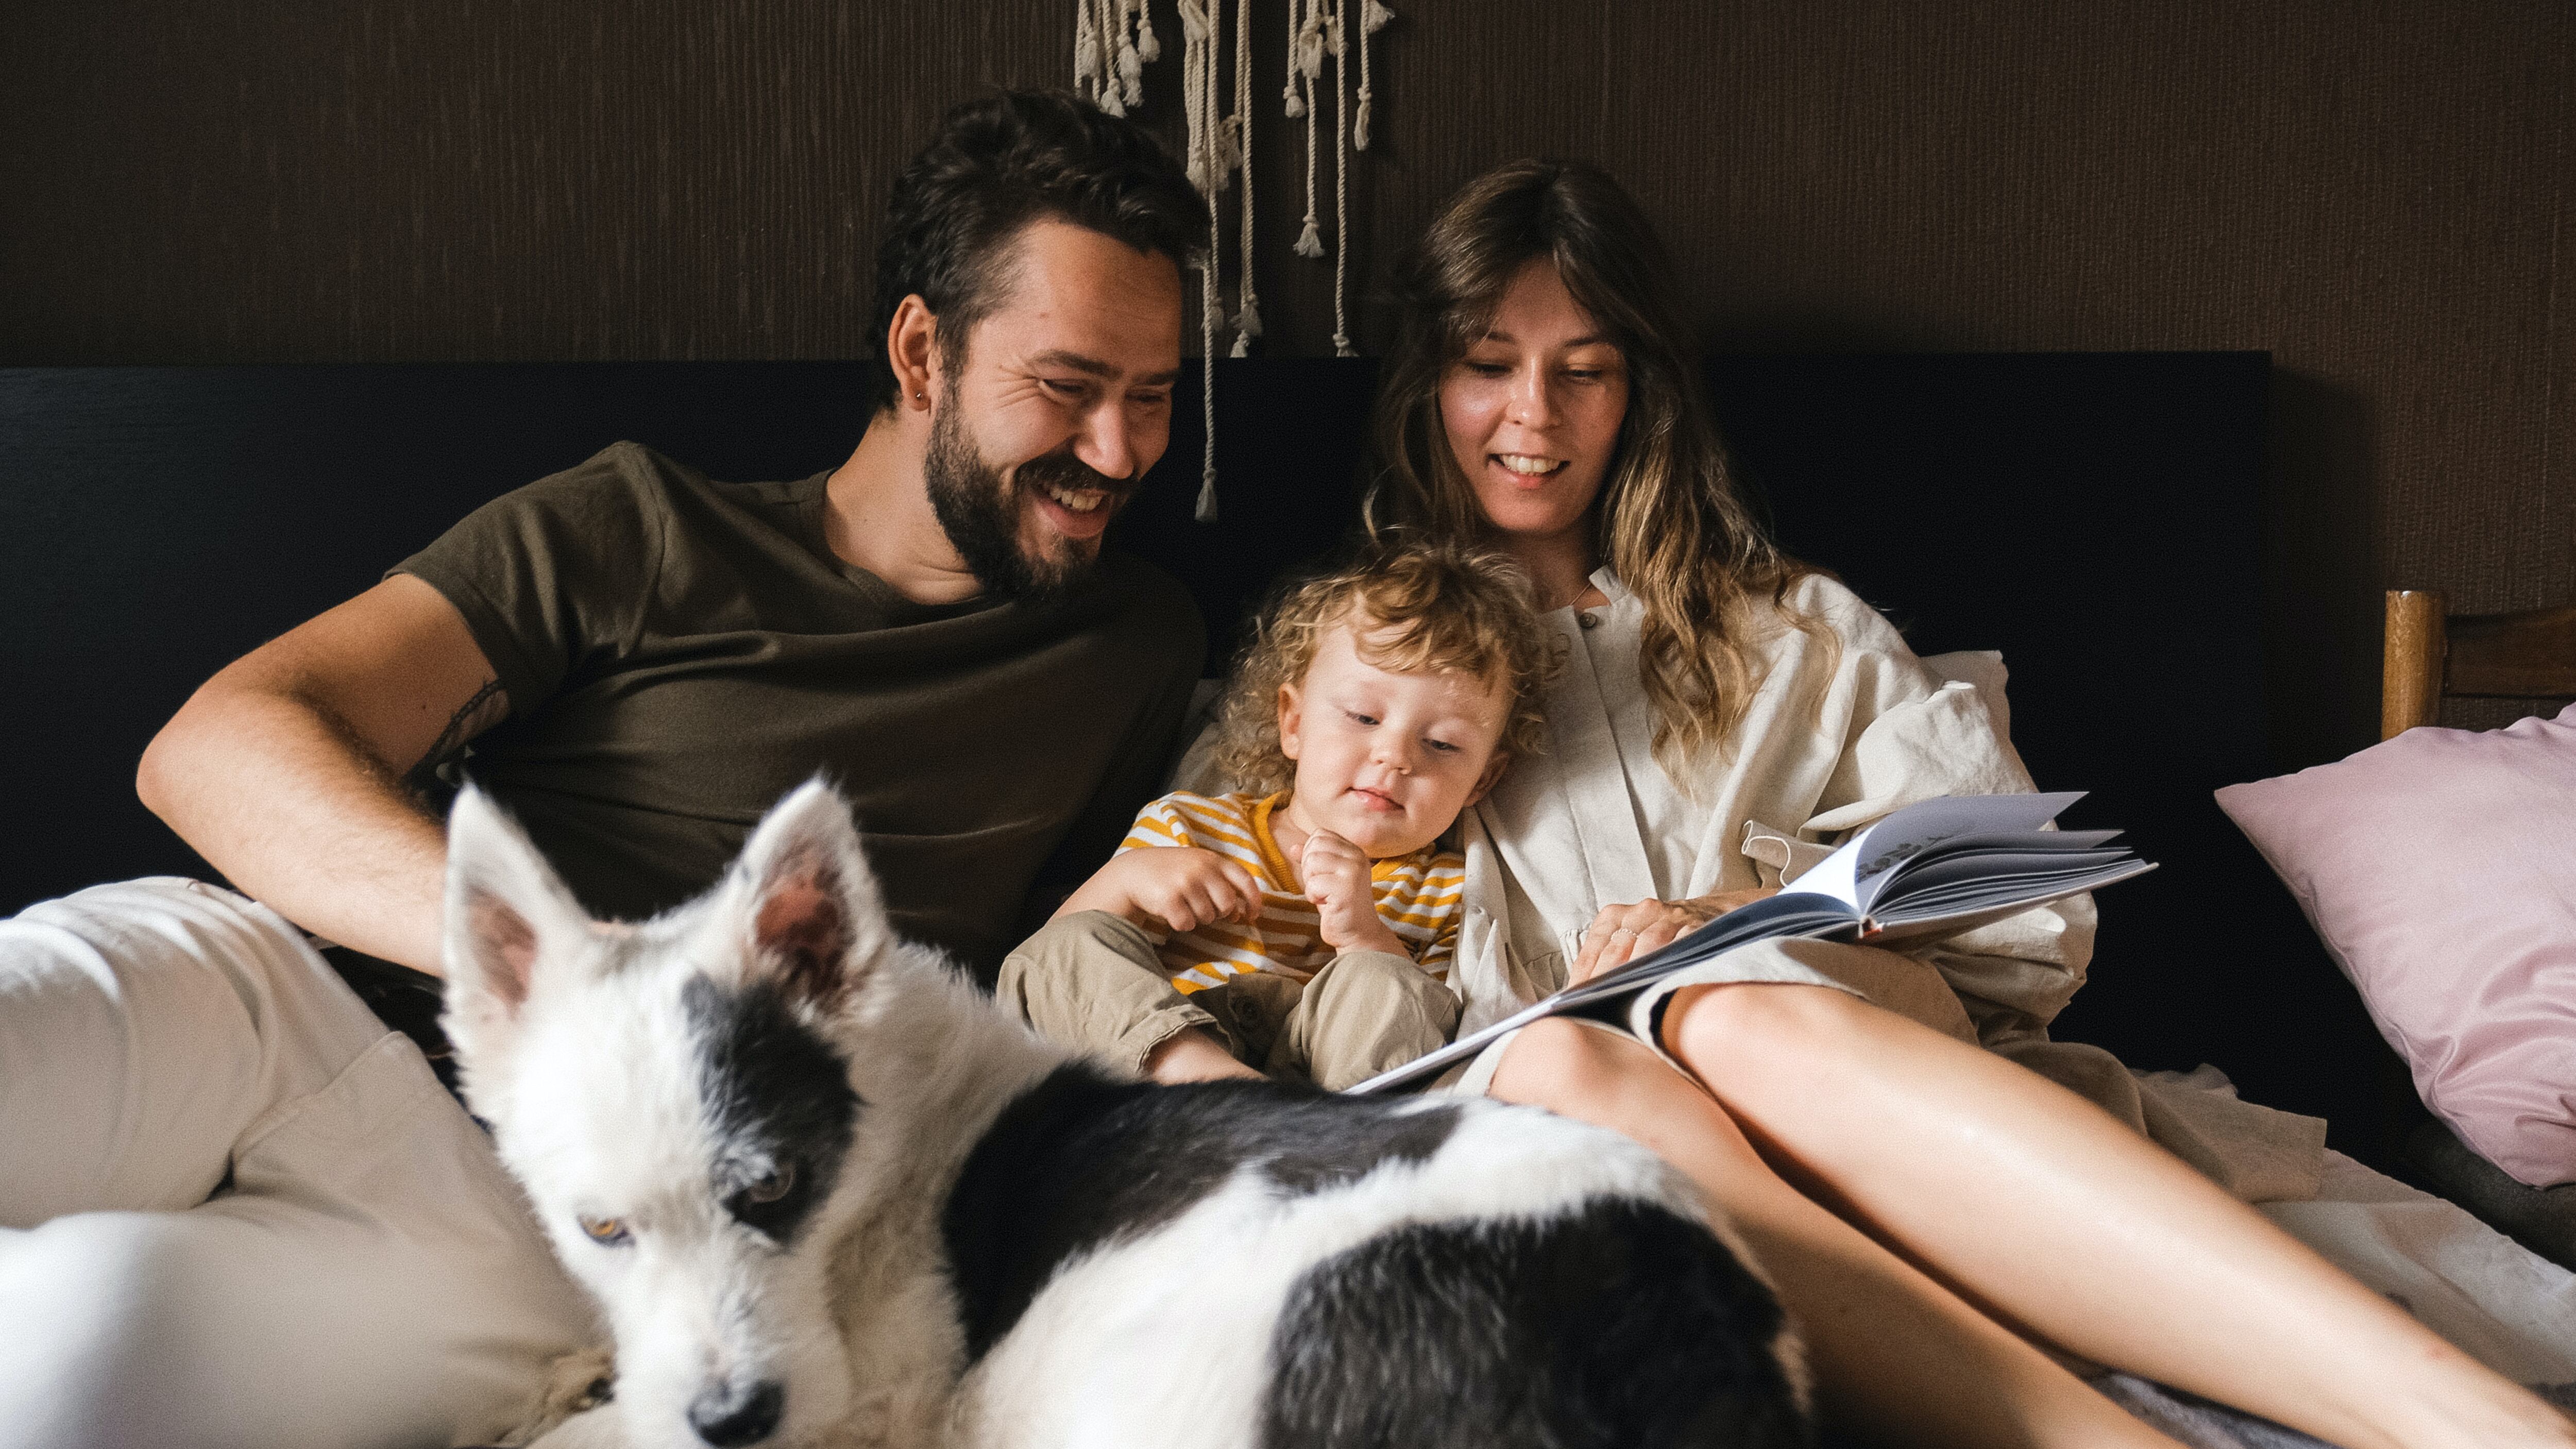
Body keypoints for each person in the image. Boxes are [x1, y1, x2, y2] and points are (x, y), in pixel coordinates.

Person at [0, 91, 1208, 1449]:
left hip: (524, 1233)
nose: (1117, 453)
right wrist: (569, 979)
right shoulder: (640, 525)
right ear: (923, 351)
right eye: (1068, 387)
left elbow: (1079, 964)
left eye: (1152, 398)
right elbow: (216, 747)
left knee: (70, 1353)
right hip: (279, 996)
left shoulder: (1138, 645)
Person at [1326, 159, 2573, 1448]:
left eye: (1583, 368)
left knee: (1729, 1007)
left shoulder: (1799, 633)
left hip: (1866, 1085)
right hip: (1568, 1121)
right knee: (1569, 1058)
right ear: (1430, 379)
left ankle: (2481, 1423)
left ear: (1638, 389)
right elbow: (1223, 903)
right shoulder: (1354, 664)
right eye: (1489, 360)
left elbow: (2035, 918)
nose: (1534, 413)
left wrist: (1737, 916)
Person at [1001, 544, 1553, 1090]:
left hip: (1321, 1084)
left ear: (1481, 780)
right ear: (1292, 722)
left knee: (1389, 982)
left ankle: (1297, 1129)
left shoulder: (1445, 890)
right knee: (1062, 947)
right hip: (1159, 1064)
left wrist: (1366, 934)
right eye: (1363, 716)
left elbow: (1423, 1038)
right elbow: (1059, 970)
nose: (1395, 756)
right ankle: (1215, 1091)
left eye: (1441, 744)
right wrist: (1126, 882)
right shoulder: (1186, 828)